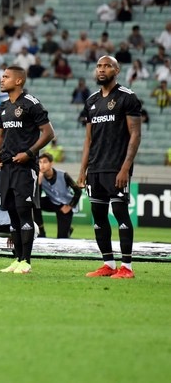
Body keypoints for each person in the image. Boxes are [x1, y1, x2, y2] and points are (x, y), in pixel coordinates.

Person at [78, 56, 142, 279]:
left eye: (107, 66)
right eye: (99, 66)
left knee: (120, 214)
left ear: (117, 70)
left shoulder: (127, 97)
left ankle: (127, 268)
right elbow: (88, 140)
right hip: (95, 169)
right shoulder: (92, 101)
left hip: (116, 168)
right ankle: (108, 264)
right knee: (98, 217)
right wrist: (82, 170)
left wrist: (125, 168)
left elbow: (135, 135)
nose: (102, 69)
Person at [0, 66, 55, 274]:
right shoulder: (2, 107)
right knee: (12, 215)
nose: (2, 79)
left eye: (6, 77)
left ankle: (26, 261)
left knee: (24, 212)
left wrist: (29, 152)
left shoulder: (31, 103)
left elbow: (48, 133)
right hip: (6, 167)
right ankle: (17, 259)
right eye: (2, 76)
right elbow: (1, 134)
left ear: (18, 81)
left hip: (25, 168)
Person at [35, 153, 81, 239]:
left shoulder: (63, 175)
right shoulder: (39, 176)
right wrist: (39, 183)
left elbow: (78, 191)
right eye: (40, 162)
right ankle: (41, 231)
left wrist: (70, 206)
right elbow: (37, 197)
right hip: (52, 202)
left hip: (65, 205)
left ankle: (68, 230)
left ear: (51, 163)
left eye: (45, 162)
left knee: (62, 238)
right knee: (35, 203)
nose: (42, 165)